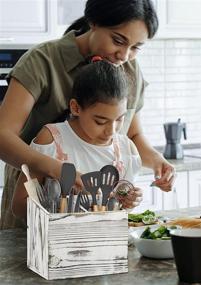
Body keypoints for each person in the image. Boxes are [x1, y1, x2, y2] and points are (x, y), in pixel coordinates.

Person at [0, 0, 175, 229]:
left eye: (135, 47)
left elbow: (131, 135)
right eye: (118, 40)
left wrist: (157, 162)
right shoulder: (43, 61)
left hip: (95, 221)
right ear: (94, 22)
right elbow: (2, 136)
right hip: (34, 208)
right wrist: (58, 170)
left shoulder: (130, 71)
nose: (123, 55)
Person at [12, 60, 143, 219]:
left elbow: (121, 208)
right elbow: (18, 206)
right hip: (58, 241)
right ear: (75, 108)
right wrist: (57, 216)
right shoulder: (51, 140)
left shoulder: (127, 149)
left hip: (108, 240)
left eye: (119, 119)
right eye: (100, 121)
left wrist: (130, 201)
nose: (111, 130)